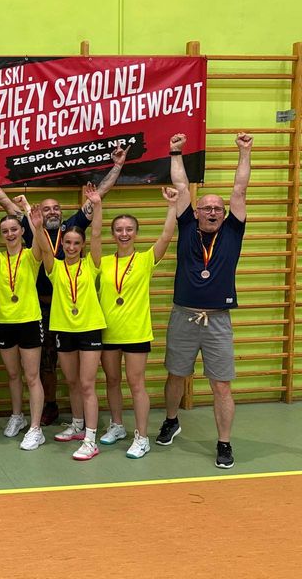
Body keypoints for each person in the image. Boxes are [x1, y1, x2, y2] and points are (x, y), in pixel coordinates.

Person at [0, 146, 127, 426]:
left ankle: (81, 416)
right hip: (40, 306)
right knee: (46, 362)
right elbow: (5, 203)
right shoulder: (29, 226)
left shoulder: (72, 227)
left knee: (74, 363)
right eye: (46, 208)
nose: (52, 211)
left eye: (56, 207)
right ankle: (50, 405)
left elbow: (99, 195)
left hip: (72, 306)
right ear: (39, 212)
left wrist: (117, 166)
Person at [158, 132, 253, 469]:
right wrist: (175, 151)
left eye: (217, 208)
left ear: (224, 214)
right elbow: (181, 185)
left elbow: (239, 189)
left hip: (218, 320)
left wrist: (245, 152)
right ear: (196, 211)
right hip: (183, 315)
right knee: (175, 375)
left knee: (221, 386)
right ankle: (171, 420)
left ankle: (224, 443)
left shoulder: (233, 231)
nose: (212, 211)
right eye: (207, 207)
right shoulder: (186, 225)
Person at [97, 185, 179, 459]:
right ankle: (117, 425)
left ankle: (142, 437)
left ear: (136, 233)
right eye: (119, 229)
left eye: (129, 229)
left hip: (136, 332)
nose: (124, 233)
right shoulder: (103, 262)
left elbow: (166, 236)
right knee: (112, 380)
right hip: (108, 332)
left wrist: (172, 206)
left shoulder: (145, 259)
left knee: (136, 384)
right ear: (112, 234)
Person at [30, 184, 106, 461]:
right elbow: (43, 249)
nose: (71, 247)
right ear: (61, 245)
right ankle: (76, 424)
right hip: (64, 329)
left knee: (87, 384)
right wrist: (38, 227)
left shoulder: (91, 264)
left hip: (89, 329)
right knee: (72, 381)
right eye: (67, 243)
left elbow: (96, 232)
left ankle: (91, 439)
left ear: (82, 246)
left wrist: (97, 205)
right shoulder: (55, 267)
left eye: (76, 243)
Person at [0, 212, 46, 450]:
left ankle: (36, 428)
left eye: (14, 229)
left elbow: (41, 247)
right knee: (12, 374)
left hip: (28, 321)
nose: (10, 234)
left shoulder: (30, 255)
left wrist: (37, 227)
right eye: (5, 231)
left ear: (22, 231)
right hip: (4, 322)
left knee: (32, 376)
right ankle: (18, 416)